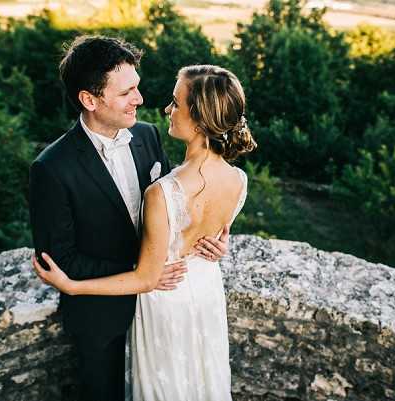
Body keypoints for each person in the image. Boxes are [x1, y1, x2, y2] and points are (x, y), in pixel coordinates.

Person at [33, 64, 257, 400]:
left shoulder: (150, 145)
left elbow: (171, 222)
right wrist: (204, 245)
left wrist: (73, 287)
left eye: (175, 103)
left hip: (166, 303)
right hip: (177, 300)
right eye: (126, 92)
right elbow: (61, 256)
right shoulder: (238, 180)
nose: (145, 101)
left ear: (198, 119)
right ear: (89, 100)